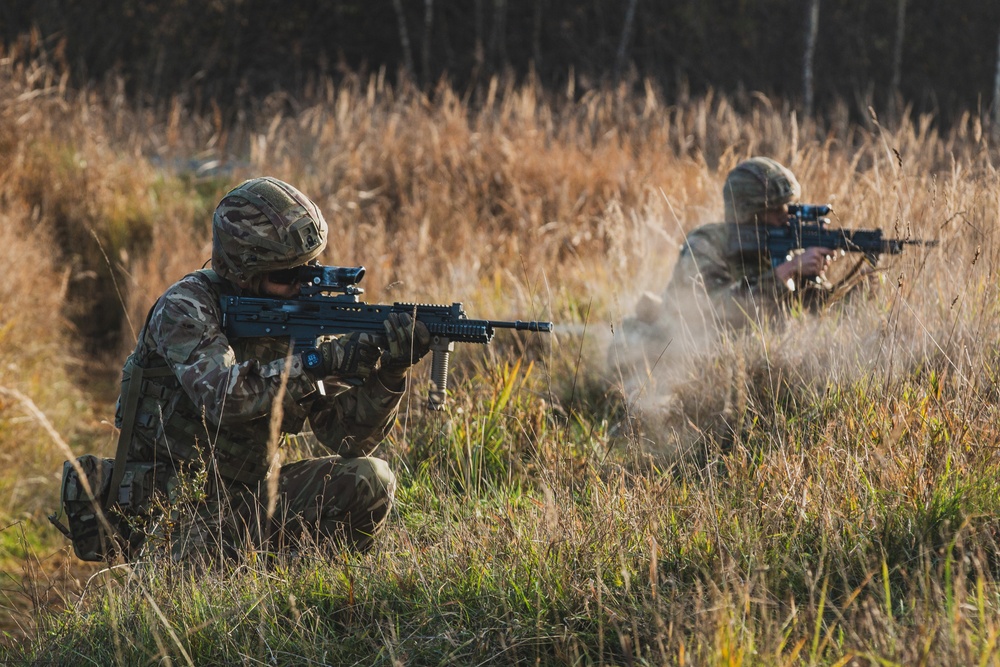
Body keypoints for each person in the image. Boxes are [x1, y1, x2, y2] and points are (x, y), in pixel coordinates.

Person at [114, 176, 430, 561]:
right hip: (172, 522)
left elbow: (346, 439)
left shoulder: (296, 318)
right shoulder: (186, 307)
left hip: (246, 505)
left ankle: (314, 606)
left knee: (369, 479)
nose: (303, 284)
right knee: (196, 576)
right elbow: (224, 398)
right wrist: (320, 362)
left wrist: (390, 374)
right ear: (243, 271)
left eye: (310, 268)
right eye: (286, 276)